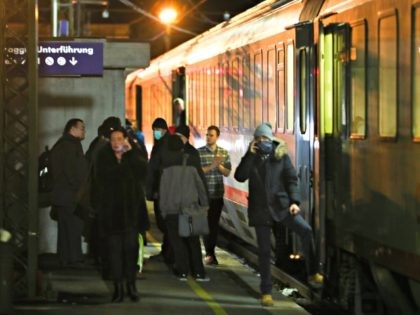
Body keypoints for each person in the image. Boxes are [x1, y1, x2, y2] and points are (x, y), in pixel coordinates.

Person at [234, 123, 324, 307]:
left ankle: (313, 272)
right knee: (265, 252)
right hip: (261, 210)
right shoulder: (252, 157)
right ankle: (266, 292)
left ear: (271, 139)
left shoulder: (280, 155)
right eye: (259, 139)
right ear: (255, 140)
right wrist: (249, 155)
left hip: (282, 207)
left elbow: (291, 179)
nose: (263, 141)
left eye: (265, 138)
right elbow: (240, 176)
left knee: (306, 231)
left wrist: (294, 202)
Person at [96, 126, 147, 302]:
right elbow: (101, 179)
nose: (116, 142)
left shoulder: (134, 155)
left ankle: (131, 286)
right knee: (114, 254)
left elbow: (143, 172)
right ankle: (118, 288)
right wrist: (119, 163)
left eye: (120, 138)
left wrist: (130, 154)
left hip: (131, 214)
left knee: (131, 252)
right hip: (111, 214)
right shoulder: (103, 157)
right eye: (113, 139)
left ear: (125, 139)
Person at [160, 135, 209, 281]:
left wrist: (163, 210)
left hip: (171, 210)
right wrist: (205, 205)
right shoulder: (191, 163)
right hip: (190, 209)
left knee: (177, 242)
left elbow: (163, 191)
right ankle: (199, 273)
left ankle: (182, 272)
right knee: (193, 242)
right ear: (182, 147)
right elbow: (200, 186)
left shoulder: (165, 167)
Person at [50, 118, 88, 268]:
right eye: (82, 128)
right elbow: (73, 170)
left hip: (60, 194)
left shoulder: (60, 144)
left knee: (65, 228)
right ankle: (74, 258)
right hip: (70, 194)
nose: (84, 131)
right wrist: (79, 187)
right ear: (72, 129)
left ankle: (65, 257)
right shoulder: (72, 146)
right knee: (74, 227)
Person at [198, 125, 231, 265]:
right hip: (203, 195)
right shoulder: (199, 152)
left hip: (217, 195)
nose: (208, 137)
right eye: (207, 135)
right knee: (206, 225)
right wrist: (212, 165)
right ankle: (209, 253)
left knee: (213, 225)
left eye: (211, 135)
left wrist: (219, 165)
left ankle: (210, 252)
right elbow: (197, 172)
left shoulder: (223, 153)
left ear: (217, 137)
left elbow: (227, 172)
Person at [146, 117, 174, 264]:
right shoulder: (161, 144)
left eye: (158, 130)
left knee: (165, 223)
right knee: (163, 223)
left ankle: (168, 252)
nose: (155, 132)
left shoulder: (164, 146)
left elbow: (156, 170)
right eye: (154, 130)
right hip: (160, 190)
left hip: (163, 191)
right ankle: (167, 251)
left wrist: (153, 189)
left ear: (164, 130)